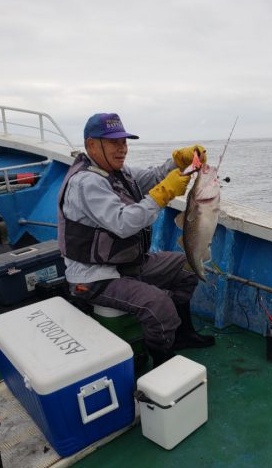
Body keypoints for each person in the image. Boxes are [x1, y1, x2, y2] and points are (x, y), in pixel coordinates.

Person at [57, 112, 215, 367]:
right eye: (114, 143)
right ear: (91, 146)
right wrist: (163, 195)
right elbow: (122, 224)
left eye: (124, 142)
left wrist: (177, 162)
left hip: (128, 263)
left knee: (186, 268)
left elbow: (152, 178)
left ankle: (180, 334)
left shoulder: (117, 172)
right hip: (95, 276)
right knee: (158, 304)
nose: (122, 149)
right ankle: (161, 359)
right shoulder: (85, 182)